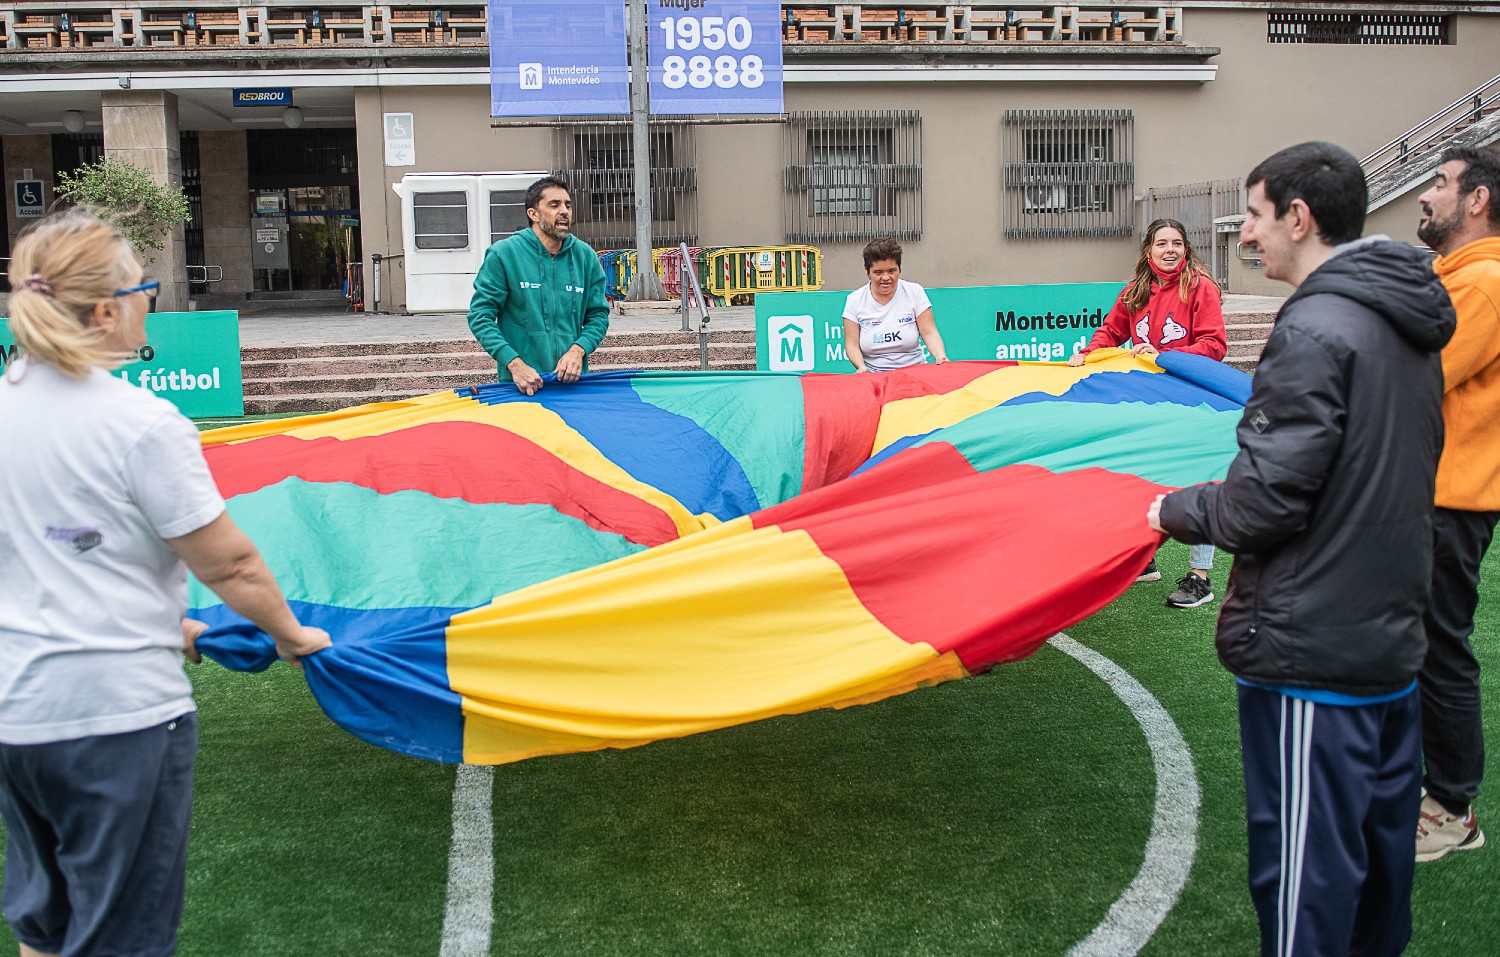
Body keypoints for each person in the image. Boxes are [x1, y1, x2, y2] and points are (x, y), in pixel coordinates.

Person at [1148, 142, 1455, 956]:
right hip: (1388, 645)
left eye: (1253, 215)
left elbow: (1263, 503)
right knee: (1377, 880)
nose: (1244, 234)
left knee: (1306, 884)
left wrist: (1170, 508)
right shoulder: (1408, 319)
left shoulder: (1316, 327)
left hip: (1314, 655)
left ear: (1298, 217)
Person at [0, 209, 331, 957]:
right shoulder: (140, 424)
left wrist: (159, 621)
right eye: (143, 288)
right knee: (122, 937)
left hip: (18, 716)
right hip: (115, 718)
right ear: (105, 311)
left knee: (45, 925)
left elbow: (45, 549)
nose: (151, 300)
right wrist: (291, 636)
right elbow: (231, 564)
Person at [1411, 145, 1500, 862]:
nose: (1426, 194)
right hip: (1434, 493)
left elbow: (1414, 379)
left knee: (1438, 649)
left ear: (1477, 200)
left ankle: (1451, 807)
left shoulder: (1482, 284)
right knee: (1420, 645)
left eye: (1439, 183)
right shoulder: (1455, 276)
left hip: (1451, 499)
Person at [1070, 218, 1228, 609]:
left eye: (1176, 243)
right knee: (1140, 471)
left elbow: (1214, 345)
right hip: (1148, 401)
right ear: (1148, 250)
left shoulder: (1200, 287)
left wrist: (1165, 357)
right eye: (1161, 243)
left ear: (1186, 248)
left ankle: (1200, 577)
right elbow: (1111, 332)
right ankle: (1145, 558)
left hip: (1192, 401)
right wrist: (1088, 354)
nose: (1169, 250)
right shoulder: (1135, 291)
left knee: (1197, 483)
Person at [466, 175, 610, 396]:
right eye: (554, 205)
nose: (564, 211)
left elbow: (598, 315)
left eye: (568, 205)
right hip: (521, 385)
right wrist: (514, 364)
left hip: (572, 384)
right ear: (533, 214)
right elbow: (480, 316)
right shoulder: (504, 254)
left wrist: (578, 350)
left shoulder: (585, 256)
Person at [841, 237, 949, 372]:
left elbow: (929, 332)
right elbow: (851, 344)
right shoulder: (854, 300)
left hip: (915, 371)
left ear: (899, 268)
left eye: (892, 271)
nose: (886, 278)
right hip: (874, 375)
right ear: (867, 270)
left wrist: (940, 355)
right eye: (878, 272)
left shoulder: (915, 292)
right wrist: (861, 367)